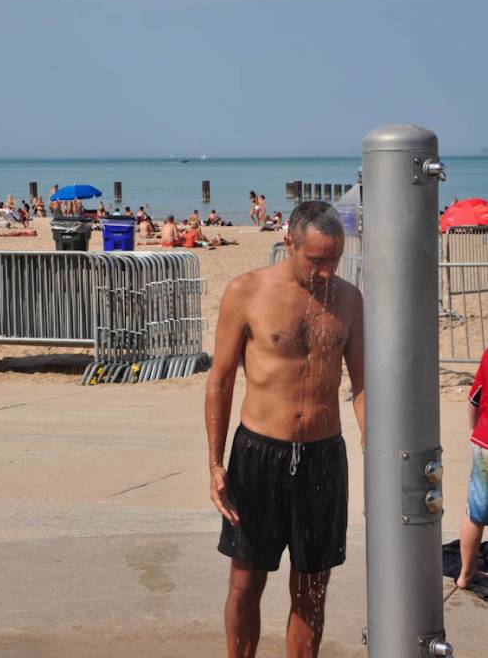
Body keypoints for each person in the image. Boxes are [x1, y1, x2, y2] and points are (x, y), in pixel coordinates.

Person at [205, 201, 364, 658]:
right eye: (316, 260)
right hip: (259, 455)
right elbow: (221, 379)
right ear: (288, 243)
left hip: (323, 457)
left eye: (334, 259)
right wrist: (215, 461)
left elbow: (361, 386)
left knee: (313, 587)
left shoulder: (349, 300)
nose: (327, 272)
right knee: (245, 581)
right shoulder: (247, 291)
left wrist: (374, 446)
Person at [457, 347, 488, 589]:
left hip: (484, 439)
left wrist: (472, 429)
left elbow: (474, 398)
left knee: (476, 511)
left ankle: (466, 573)